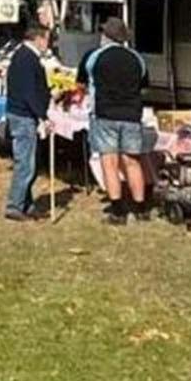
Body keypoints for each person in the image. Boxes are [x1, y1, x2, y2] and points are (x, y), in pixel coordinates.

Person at [76, 17, 149, 225]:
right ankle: (140, 206)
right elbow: (144, 87)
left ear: (105, 36)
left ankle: (118, 209)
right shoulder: (137, 58)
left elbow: (81, 84)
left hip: (105, 114)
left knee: (110, 161)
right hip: (132, 115)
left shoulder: (93, 57)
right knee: (132, 161)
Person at [3, 24, 51, 222]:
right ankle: (14, 204)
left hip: (21, 113)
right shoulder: (27, 58)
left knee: (30, 160)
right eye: (47, 39)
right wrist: (42, 115)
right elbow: (29, 92)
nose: (48, 44)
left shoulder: (23, 56)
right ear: (38, 38)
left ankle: (26, 203)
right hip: (23, 115)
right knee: (26, 163)